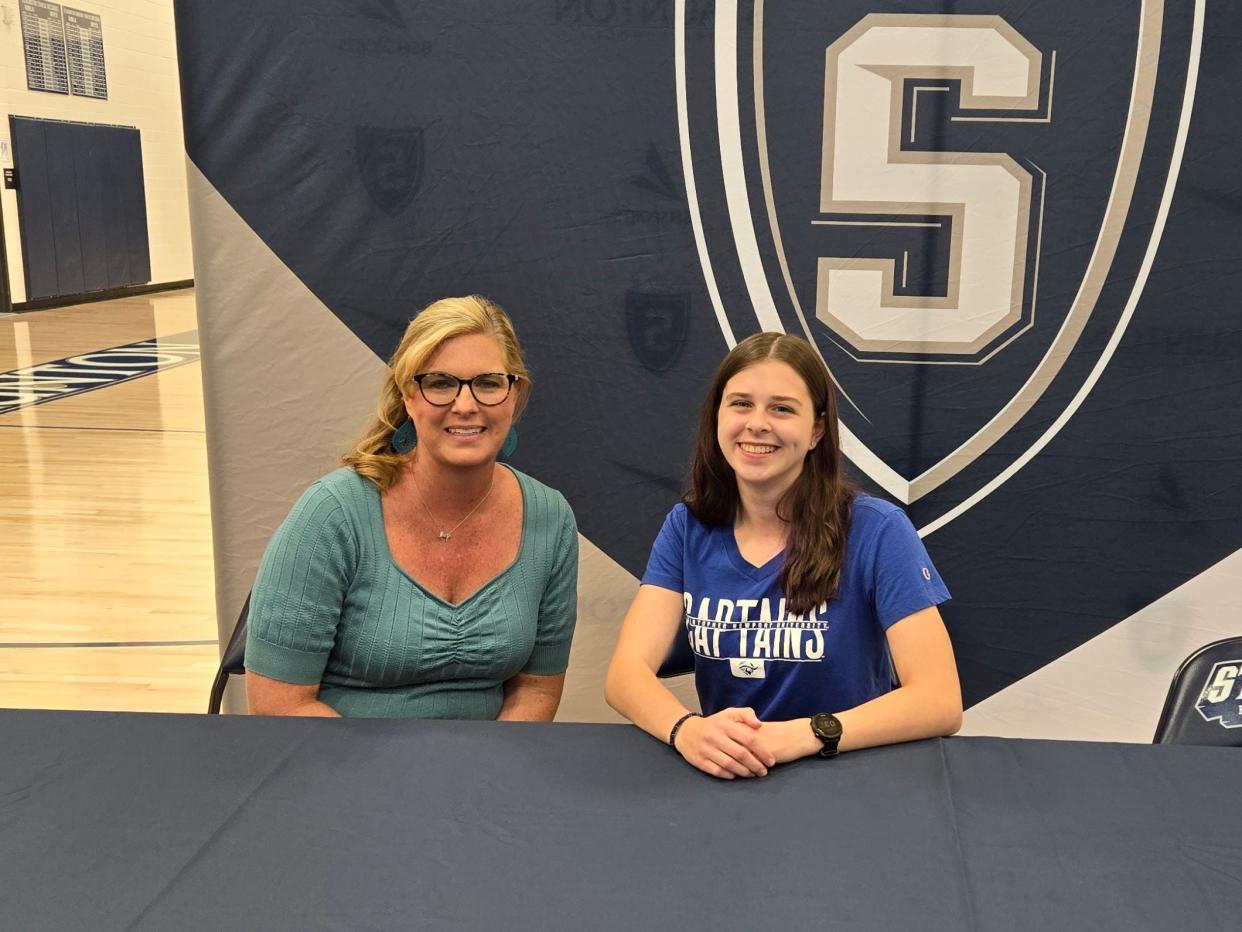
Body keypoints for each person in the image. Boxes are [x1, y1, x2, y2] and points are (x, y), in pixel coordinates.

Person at [605, 332, 961, 778]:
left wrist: (804, 735)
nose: (757, 423)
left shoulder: (877, 530)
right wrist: (688, 731)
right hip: (733, 777)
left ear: (816, 430)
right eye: (740, 404)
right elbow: (625, 673)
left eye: (781, 408)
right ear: (717, 417)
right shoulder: (686, 527)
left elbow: (940, 699)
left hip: (852, 774)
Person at [245, 295, 578, 719]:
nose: (466, 404)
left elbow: (536, 692)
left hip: (486, 774)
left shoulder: (551, 518)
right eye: (440, 383)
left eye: (489, 383)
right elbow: (279, 706)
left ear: (515, 395)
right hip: (342, 771)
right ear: (408, 394)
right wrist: (396, 782)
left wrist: (487, 777)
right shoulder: (331, 514)